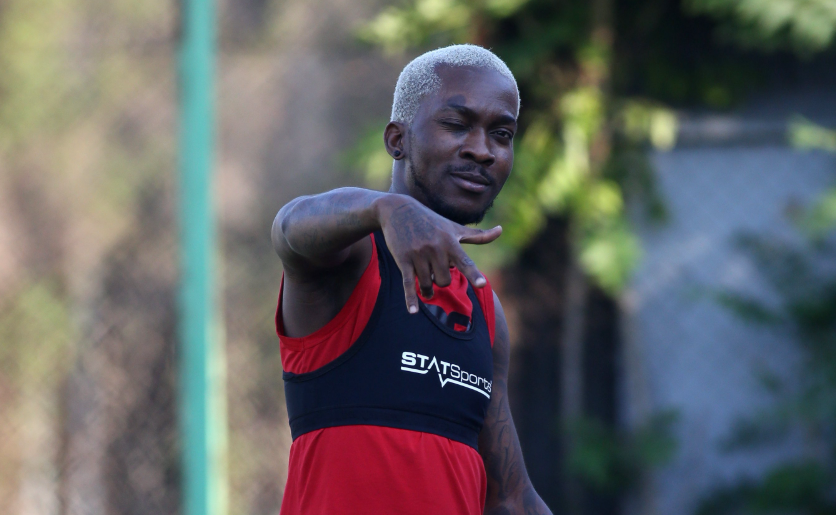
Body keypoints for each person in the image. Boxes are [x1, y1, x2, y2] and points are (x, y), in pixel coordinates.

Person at [272, 44, 552, 515]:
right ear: (397, 140)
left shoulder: (483, 309)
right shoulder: (352, 259)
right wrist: (388, 208)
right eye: (457, 124)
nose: (482, 150)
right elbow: (288, 228)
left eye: (501, 134)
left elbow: (510, 498)